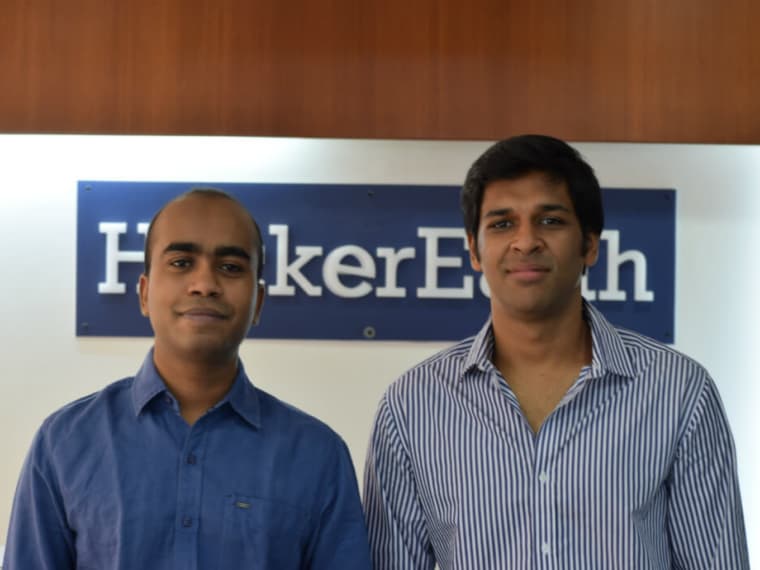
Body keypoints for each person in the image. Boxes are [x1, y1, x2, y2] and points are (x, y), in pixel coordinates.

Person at [363, 135, 750, 569]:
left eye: (550, 221)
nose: (526, 242)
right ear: (473, 249)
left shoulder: (679, 392)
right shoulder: (412, 407)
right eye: (502, 224)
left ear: (590, 244)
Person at [4, 188, 372, 569]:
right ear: (144, 293)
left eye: (231, 267)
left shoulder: (317, 456)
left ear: (258, 303)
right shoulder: (65, 444)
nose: (204, 284)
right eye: (181, 263)